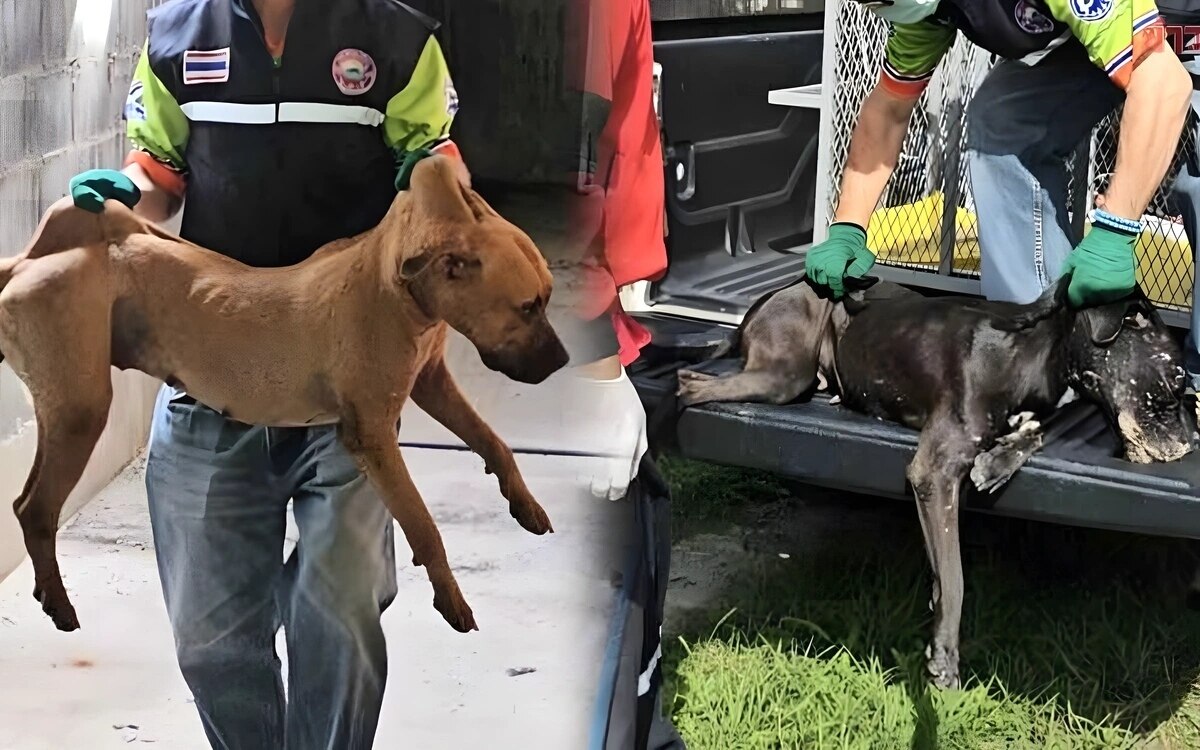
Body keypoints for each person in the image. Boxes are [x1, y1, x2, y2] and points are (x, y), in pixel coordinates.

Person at [66, 0, 466, 747]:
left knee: (340, 609)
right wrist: (126, 197)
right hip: (214, 377)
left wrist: (432, 179)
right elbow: (159, 171)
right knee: (210, 639)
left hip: (342, 393)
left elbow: (439, 163)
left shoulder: (398, 37)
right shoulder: (176, 34)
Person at [805, 0, 1193, 360]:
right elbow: (889, 109)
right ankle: (1042, 348)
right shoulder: (925, 10)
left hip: (1182, 14)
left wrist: (1114, 230)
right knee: (1005, 124)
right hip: (1103, 28)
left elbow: (1163, 83)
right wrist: (848, 228)